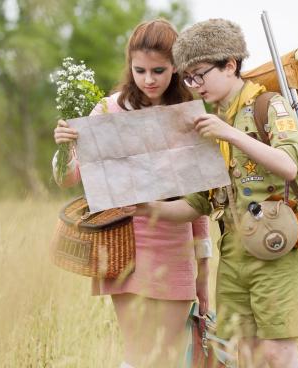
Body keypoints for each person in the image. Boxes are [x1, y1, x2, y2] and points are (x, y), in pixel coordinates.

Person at [134, 18, 298, 368]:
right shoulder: (210, 121)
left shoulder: (268, 106)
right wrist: (143, 207)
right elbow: (198, 203)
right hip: (232, 255)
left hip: (275, 247)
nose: (195, 85)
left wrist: (229, 135)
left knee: (278, 352)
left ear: (230, 65)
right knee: (240, 354)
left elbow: (290, 165)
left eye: (200, 74)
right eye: (188, 78)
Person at [52, 19, 212, 368]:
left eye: (159, 70)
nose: (149, 79)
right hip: (122, 243)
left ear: (176, 67)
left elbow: (200, 207)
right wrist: (63, 147)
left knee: (167, 355)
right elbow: (69, 178)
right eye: (139, 70)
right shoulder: (109, 110)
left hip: (174, 245)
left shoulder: (189, 118)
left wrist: (204, 276)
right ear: (129, 66)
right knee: (138, 353)